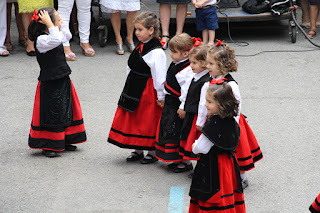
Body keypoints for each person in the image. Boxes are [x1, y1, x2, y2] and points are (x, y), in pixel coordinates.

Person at [107, 11, 167, 164]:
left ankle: (152, 151)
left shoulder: (157, 52)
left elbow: (159, 77)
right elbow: (131, 65)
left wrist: (160, 96)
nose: (137, 33)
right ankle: (138, 148)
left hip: (147, 91)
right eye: (136, 29)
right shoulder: (140, 47)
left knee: (147, 120)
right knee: (135, 118)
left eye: (140, 30)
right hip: (134, 87)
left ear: (151, 30)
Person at [28, 8, 87, 157]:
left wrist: (59, 23)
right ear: (48, 25)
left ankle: (65, 139)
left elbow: (66, 35)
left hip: (62, 78)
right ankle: (49, 144)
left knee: (65, 109)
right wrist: (51, 23)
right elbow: (56, 39)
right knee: (51, 112)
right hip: (50, 82)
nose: (61, 23)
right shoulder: (42, 40)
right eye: (58, 20)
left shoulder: (54, 34)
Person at [206, 41, 263, 189]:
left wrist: (233, 126)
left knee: (237, 150)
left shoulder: (231, 85)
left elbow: (237, 105)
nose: (207, 67)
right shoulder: (212, 80)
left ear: (222, 65)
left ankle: (242, 177)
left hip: (231, 123)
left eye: (211, 64)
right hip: (217, 119)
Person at [189, 82, 246, 213]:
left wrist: (194, 146)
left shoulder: (213, 124)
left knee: (212, 195)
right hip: (228, 165)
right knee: (226, 194)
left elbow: (201, 147)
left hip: (213, 166)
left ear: (220, 105)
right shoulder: (232, 121)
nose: (205, 104)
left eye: (209, 102)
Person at [155, 33, 194, 171]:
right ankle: (175, 159)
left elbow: (186, 91)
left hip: (178, 105)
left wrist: (183, 107)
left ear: (185, 54)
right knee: (169, 130)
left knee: (179, 133)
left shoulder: (188, 70)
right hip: (170, 103)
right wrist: (164, 96)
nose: (170, 54)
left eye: (174, 52)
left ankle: (185, 162)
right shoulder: (177, 63)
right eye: (171, 51)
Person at [176, 44, 212, 173]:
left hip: (198, 116)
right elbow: (186, 93)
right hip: (191, 112)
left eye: (194, 63)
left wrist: (200, 122)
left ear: (204, 63)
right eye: (191, 62)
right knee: (187, 138)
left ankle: (201, 167)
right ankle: (186, 162)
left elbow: (203, 103)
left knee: (198, 142)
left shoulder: (206, 81)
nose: (191, 65)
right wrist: (183, 107)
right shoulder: (194, 76)